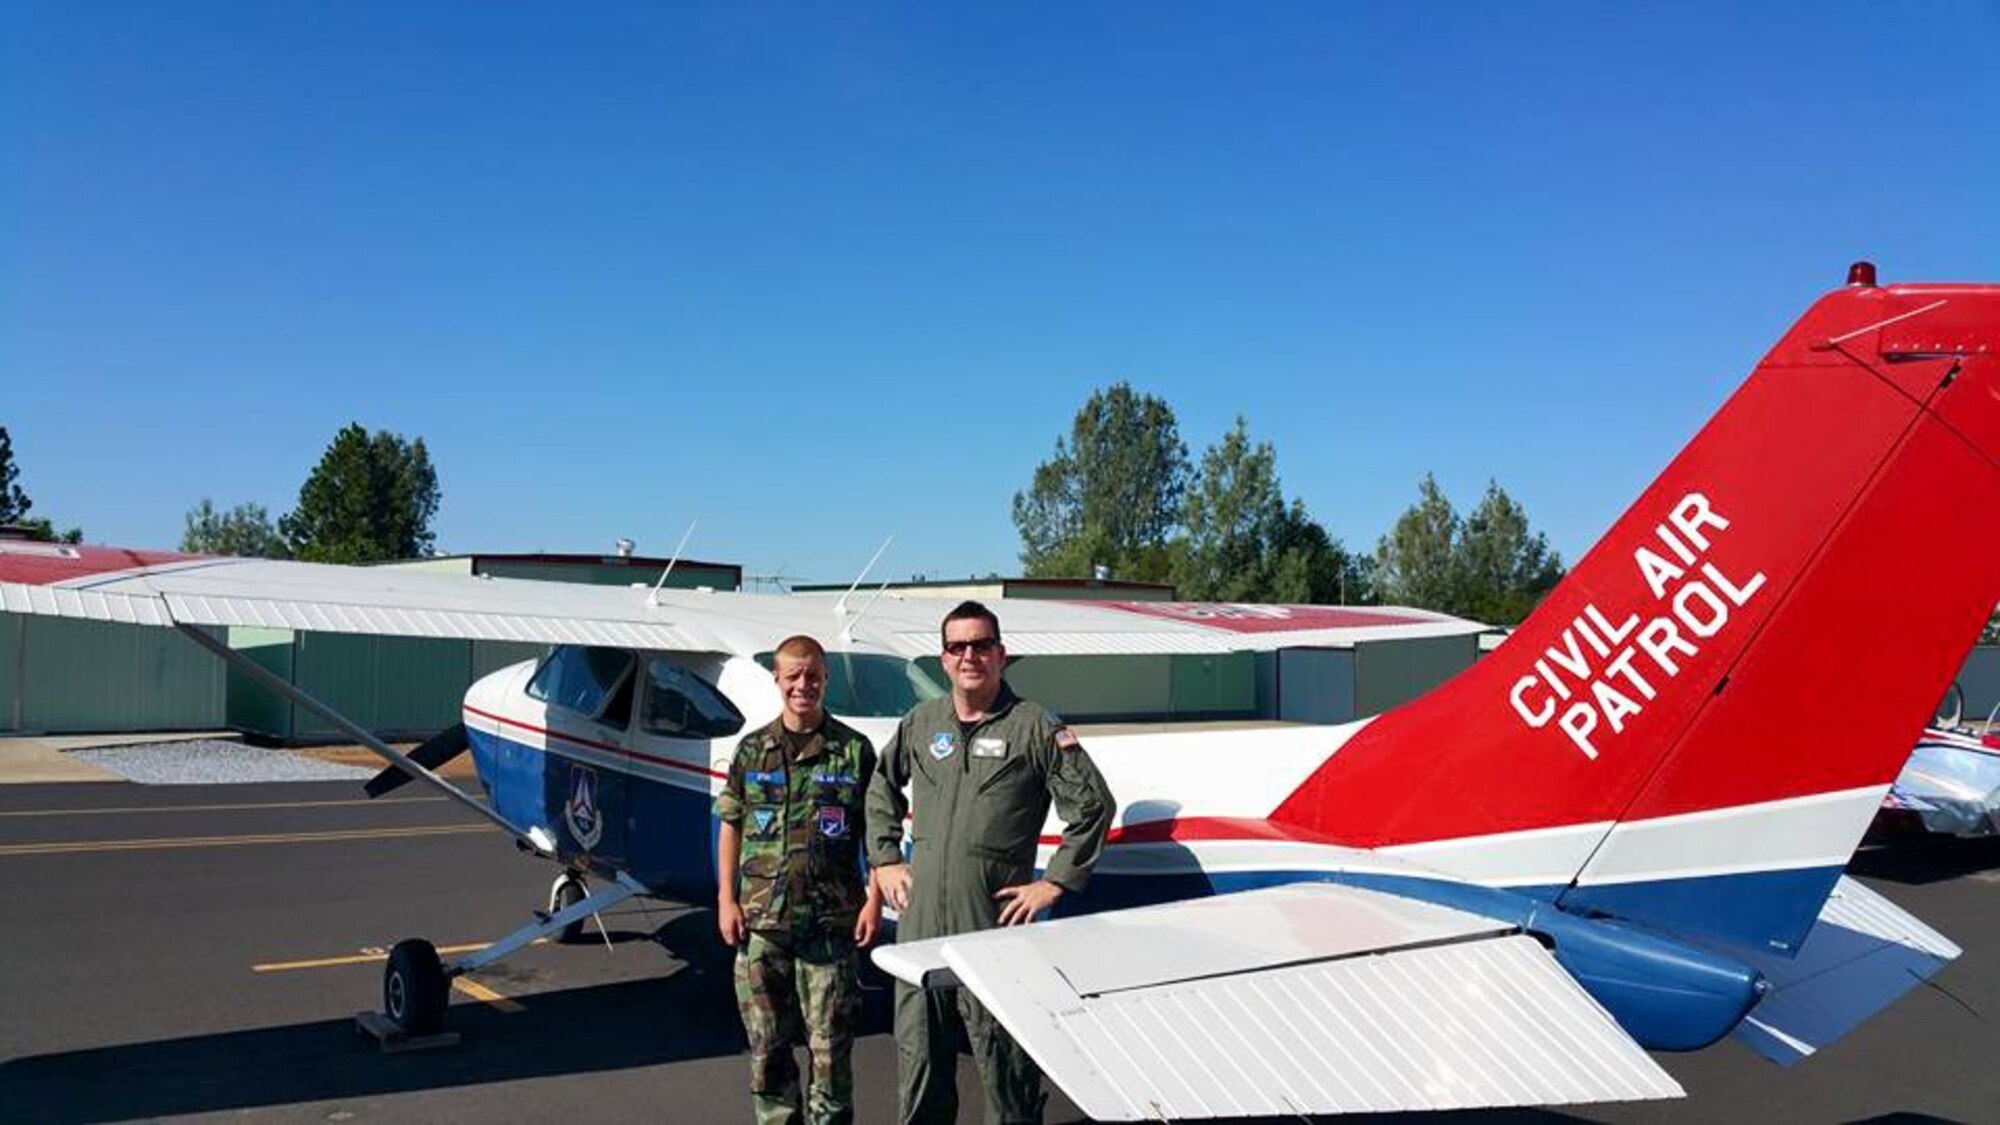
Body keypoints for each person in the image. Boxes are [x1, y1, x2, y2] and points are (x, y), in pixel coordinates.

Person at [866, 600, 1117, 1124]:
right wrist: (885, 858)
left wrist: (1055, 883)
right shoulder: (921, 722)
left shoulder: (1034, 728)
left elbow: (1093, 806)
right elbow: (881, 785)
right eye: (958, 647)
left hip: (993, 925)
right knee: (920, 1063)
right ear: (943, 659)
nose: (970, 656)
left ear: (1001, 655)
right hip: (920, 924)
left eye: (981, 645)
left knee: (1006, 1069)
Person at [716, 634, 884, 1125]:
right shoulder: (752, 751)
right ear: (777, 680)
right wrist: (726, 899)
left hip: (830, 927)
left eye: (812, 675)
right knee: (767, 1053)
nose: (803, 685)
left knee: (831, 1055)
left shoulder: (853, 751)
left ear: (826, 678)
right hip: (762, 925)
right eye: (793, 676)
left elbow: (876, 833)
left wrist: (873, 900)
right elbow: (731, 824)